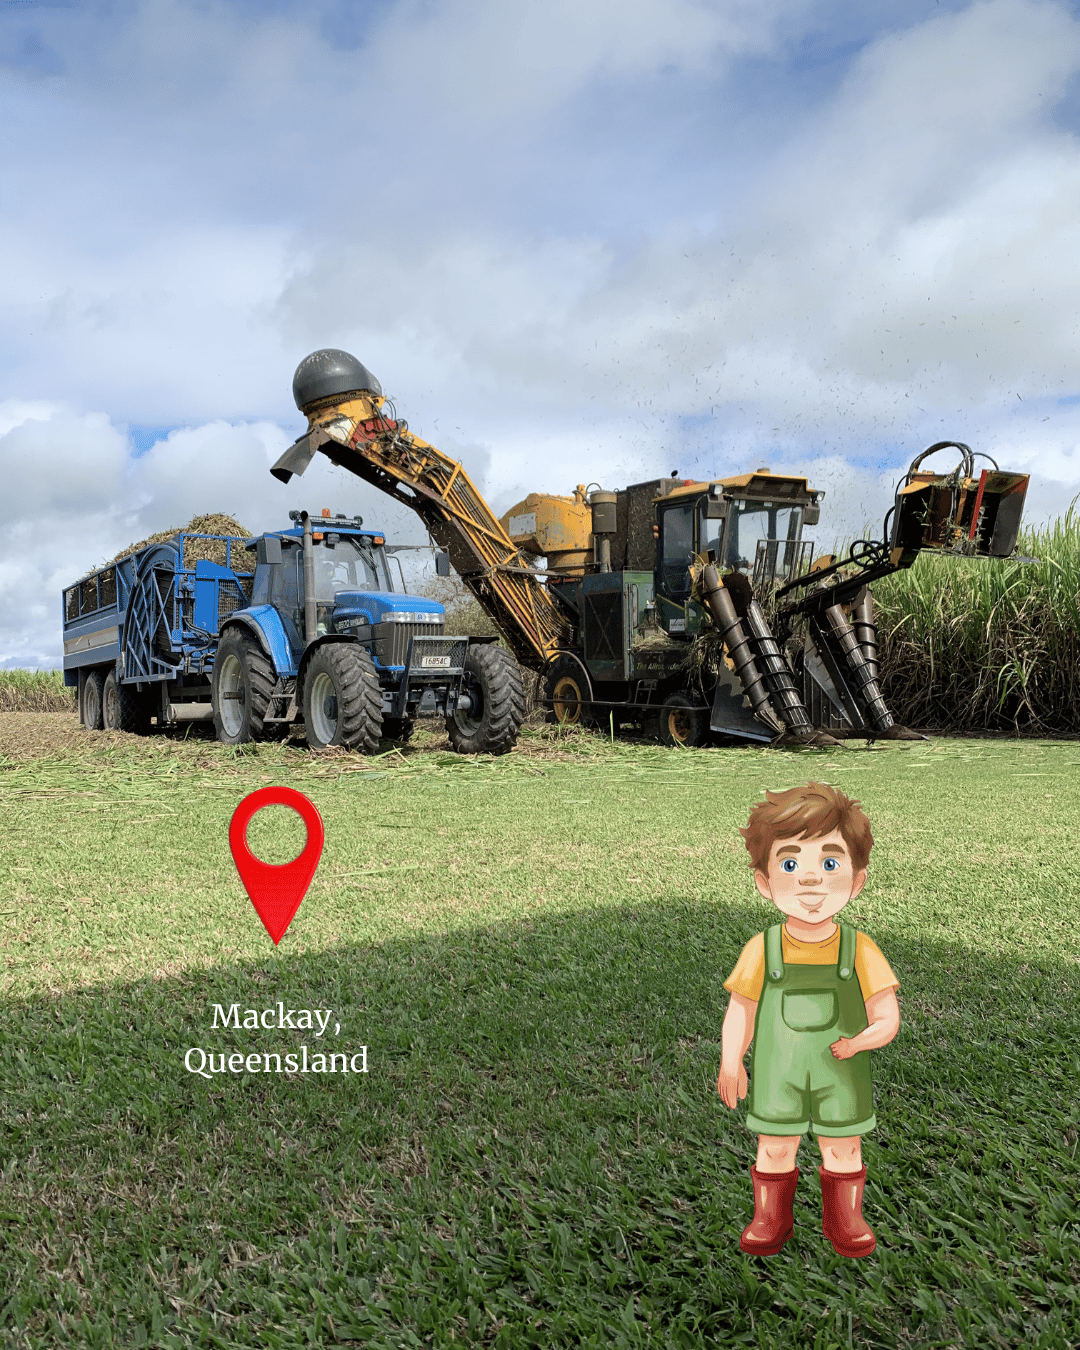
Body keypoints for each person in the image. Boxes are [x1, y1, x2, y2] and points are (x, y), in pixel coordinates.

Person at [717, 781, 900, 1257]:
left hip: (841, 1073)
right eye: (791, 864)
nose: (811, 880)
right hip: (780, 1073)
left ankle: (847, 1218)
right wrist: (732, 1062)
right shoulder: (762, 949)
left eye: (831, 863)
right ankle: (768, 1218)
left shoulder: (859, 950)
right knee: (775, 1146)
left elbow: (887, 1017)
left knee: (843, 1149)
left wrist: (861, 1043)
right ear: (764, 881)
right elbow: (742, 1009)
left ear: (857, 880)